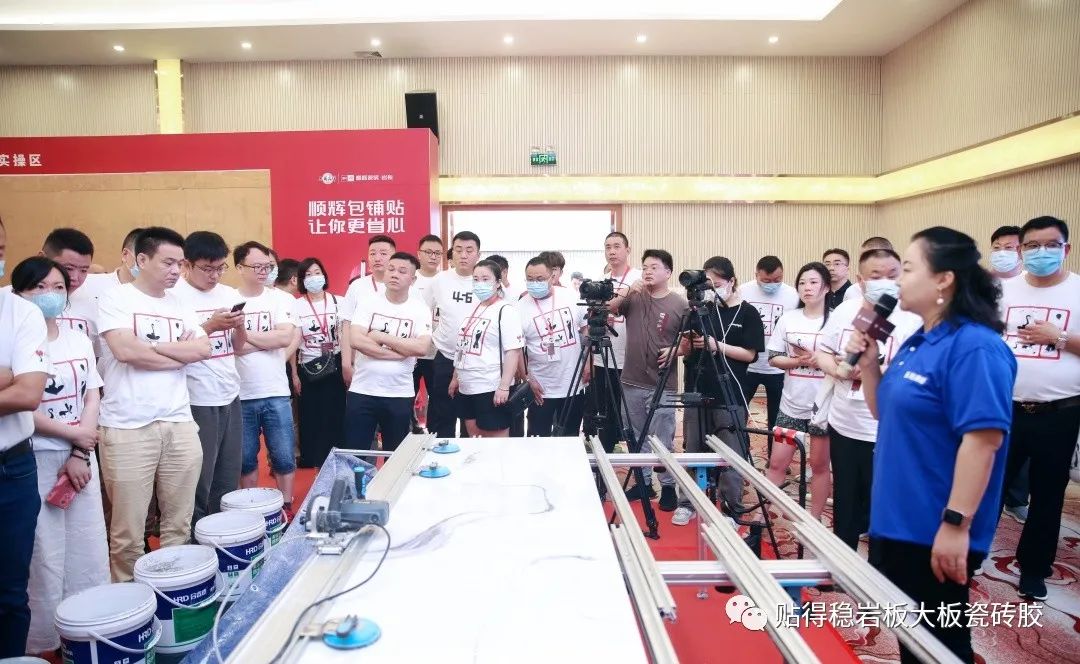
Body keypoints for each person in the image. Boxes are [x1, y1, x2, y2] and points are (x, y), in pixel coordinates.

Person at [846, 226, 1015, 663]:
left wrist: (955, 524)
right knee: (914, 638)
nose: (896, 281)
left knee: (941, 644)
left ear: (944, 279)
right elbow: (886, 413)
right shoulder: (918, 341)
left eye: (906, 269)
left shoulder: (975, 347)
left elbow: (983, 441)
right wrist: (869, 365)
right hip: (896, 520)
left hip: (934, 526)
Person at [96, 227, 211, 581]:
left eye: (180, 263)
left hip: (179, 422)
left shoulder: (181, 304)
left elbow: (203, 349)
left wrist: (151, 348)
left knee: (179, 524)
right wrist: (178, 353)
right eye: (168, 262)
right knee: (128, 533)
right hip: (127, 427)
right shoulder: (116, 298)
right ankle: (129, 602)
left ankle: (174, 591)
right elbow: (125, 351)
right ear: (141, 259)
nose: (176, 270)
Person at [12, 257, 109, 656]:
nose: (49, 295)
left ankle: (87, 626)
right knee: (44, 554)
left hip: (80, 459)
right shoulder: (13, 343)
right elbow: (22, 405)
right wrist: (74, 435)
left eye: (57, 288)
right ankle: (44, 641)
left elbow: (91, 394)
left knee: (88, 545)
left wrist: (80, 448)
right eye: (38, 288)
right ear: (18, 294)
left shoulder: (77, 339)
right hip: (35, 458)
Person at [817, 249, 922, 548]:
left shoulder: (913, 317)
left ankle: (879, 563)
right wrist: (838, 369)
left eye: (892, 275)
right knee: (846, 497)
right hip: (844, 421)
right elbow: (823, 351)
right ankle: (843, 555)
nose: (885, 282)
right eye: (876, 276)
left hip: (886, 426)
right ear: (861, 280)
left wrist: (871, 369)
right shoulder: (845, 311)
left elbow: (915, 369)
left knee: (882, 499)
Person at [999, 215, 1079, 601]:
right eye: (1032, 245)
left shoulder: (1077, 290)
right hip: (1004, 408)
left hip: (1059, 411)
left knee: (1048, 494)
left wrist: (1059, 337)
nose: (1040, 252)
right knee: (989, 487)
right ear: (1021, 250)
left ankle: (1034, 567)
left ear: (1066, 249)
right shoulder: (1003, 291)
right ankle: (972, 553)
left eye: (1050, 245)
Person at [672, 257, 764, 526]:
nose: (711, 290)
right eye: (707, 284)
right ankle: (687, 503)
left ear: (731, 281)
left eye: (716, 283)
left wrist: (717, 346)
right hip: (696, 388)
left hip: (729, 393)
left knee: (730, 453)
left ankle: (731, 508)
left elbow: (750, 354)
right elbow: (686, 345)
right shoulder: (700, 310)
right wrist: (687, 343)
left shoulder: (747, 312)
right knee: (693, 449)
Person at [171, 232, 247, 527]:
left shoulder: (228, 294)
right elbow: (176, 345)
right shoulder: (174, 296)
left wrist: (239, 326)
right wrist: (212, 325)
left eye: (220, 268)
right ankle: (196, 531)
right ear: (187, 265)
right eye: (207, 268)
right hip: (196, 396)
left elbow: (239, 346)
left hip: (229, 392)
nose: (214, 275)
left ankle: (222, 530)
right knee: (199, 475)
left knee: (228, 472)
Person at [0, 217, 50, 657]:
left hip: (10, 467)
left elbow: (28, 393)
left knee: (10, 592)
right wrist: (5, 376)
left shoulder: (20, 312)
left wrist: (15, 381)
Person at [609, 249, 688, 509]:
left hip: (663, 383)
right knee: (635, 436)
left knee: (663, 438)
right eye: (645, 267)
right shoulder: (634, 296)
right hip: (631, 380)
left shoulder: (679, 304)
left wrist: (677, 350)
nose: (648, 272)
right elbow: (608, 309)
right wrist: (626, 291)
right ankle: (643, 484)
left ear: (668, 272)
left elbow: (691, 341)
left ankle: (667, 486)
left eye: (654, 267)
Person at [232, 241, 298, 512]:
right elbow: (233, 346)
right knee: (245, 459)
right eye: (257, 266)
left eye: (268, 266)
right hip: (240, 393)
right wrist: (265, 340)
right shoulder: (228, 300)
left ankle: (286, 506)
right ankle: (251, 509)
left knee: (284, 456)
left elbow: (284, 338)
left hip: (276, 391)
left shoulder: (282, 299)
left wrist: (245, 337)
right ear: (239, 267)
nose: (264, 271)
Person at [763, 262, 832, 520]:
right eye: (802, 283)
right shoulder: (789, 318)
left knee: (819, 466)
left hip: (824, 408)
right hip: (791, 404)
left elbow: (845, 362)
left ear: (826, 287)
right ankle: (763, 517)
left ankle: (814, 519)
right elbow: (774, 358)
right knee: (777, 463)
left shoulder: (836, 320)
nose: (807, 288)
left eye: (813, 282)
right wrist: (799, 361)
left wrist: (820, 359)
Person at [347, 252, 433, 451]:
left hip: (399, 393)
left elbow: (421, 347)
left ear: (412, 280)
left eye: (402, 271)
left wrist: (380, 336)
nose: (394, 274)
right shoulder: (368, 302)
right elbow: (356, 340)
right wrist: (399, 353)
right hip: (362, 391)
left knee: (395, 455)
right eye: (391, 269)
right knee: (356, 453)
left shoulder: (420, 309)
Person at [448, 259, 524, 437]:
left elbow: (513, 351)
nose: (479, 283)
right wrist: (455, 377)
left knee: (494, 444)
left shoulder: (506, 310)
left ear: (498, 282)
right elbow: (463, 346)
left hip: (491, 386)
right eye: (475, 279)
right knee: (474, 440)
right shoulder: (474, 309)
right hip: (467, 386)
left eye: (485, 279)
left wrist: (504, 387)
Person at [986, 224, 1029, 526]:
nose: (1003, 254)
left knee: (1019, 444)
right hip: (986, 374)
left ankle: (1016, 498)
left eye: (1010, 248)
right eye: (997, 248)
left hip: (1023, 379)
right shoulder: (981, 285)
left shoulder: (1029, 286)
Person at [516, 256, 588, 437]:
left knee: (570, 436)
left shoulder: (570, 296)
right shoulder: (520, 307)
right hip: (540, 387)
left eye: (540, 279)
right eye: (530, 279)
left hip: (572, 382)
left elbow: (585, 328)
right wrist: (528, 379)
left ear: (552, 277)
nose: (534, 283)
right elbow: (516, 350)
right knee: (538, 436)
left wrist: (588, 362)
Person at [425, 231, 482, 437]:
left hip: (476, 359)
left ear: (478, 254)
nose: (463, 255)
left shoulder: (485, 280)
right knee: (443, 412)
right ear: (452, 253)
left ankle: (470, 452)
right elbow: (423, 310)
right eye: (458, 250)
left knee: (471, 413)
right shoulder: (440, 280)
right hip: (446, 356)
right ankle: (441, 449)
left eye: (469, 250)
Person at [291, 257, 345, 467]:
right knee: (311, 415)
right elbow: (293, 342)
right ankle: (314, 460)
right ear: (301, 280)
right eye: (308, 275)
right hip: (309, 366)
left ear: (324, 275)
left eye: (317, 273)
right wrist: (294, 374)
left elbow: (347, 335)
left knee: (335, 412)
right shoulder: (296, 306)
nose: (314, 278)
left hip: (335, 362)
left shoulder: (338, 302)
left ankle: (336, 457)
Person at [592, 232, 641, 452]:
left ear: (627, 250)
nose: (612, 251)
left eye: (617, 246)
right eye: (607, 247)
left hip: (631, 358)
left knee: (632, 415)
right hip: (603, 357)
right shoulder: (599, 280)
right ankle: (606, 457)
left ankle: (636, 462)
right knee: (606, 414)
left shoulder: (638, 277)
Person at [739, 256, 799, 430]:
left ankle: (774, 447)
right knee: (739, 413)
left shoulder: (793, 295)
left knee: (777, 418)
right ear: (756, 275)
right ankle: (741, 445)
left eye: (777, 280)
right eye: (766, 280)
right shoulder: (743, 291)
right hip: (748, 365)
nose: (772, 284)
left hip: (778, 366)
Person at [340, 235, 396, 390]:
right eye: (372, 253)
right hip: (363, 367)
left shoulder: (404, 287)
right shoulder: (357, 286)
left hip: (395, 366)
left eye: (383, 253)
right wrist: (346, 363)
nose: (377, 258)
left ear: (394, 256)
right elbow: (347, 325)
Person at [412, 234, 444, 433]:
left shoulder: (446, 280)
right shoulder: (410, 278)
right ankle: (411, 430)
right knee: (408, 394)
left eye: (437, 253)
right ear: (419, 254)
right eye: (428, 252)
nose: (433, 257)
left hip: (437, 351)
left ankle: (434, 435)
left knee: (438, 397)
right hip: (410, 349)